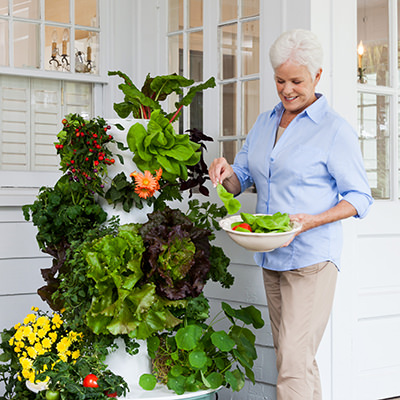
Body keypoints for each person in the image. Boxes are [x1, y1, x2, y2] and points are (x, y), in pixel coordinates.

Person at [209, 29, 373, 400]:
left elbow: (360, 197)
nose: (287, 89)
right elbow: (242, 180)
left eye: (296, 81)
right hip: (273, 257)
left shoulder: (334, 130)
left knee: (293, 365)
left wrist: (312, 220)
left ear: (317, 76)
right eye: (280, 80)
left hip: (312, 260)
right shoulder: (266, 122)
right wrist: (224, 173)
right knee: (297, 360)